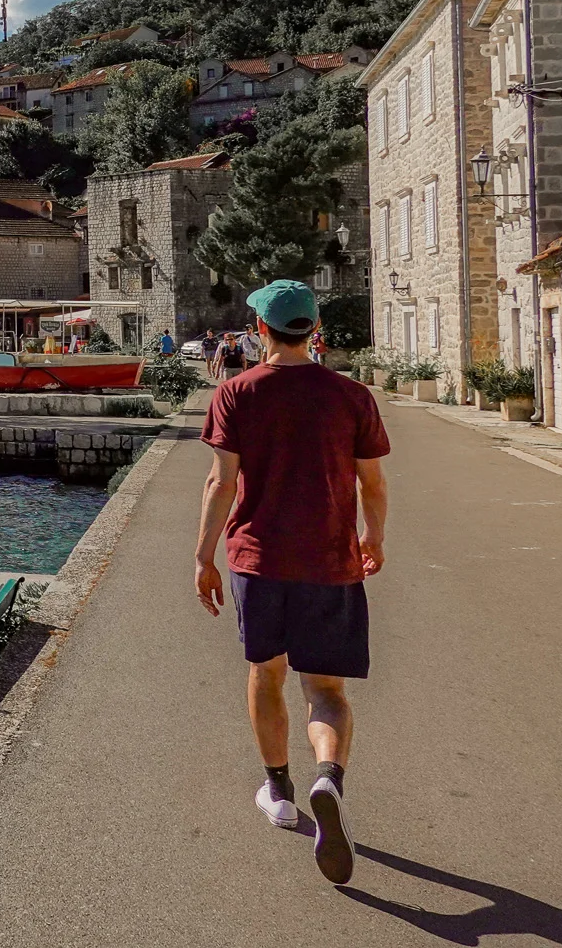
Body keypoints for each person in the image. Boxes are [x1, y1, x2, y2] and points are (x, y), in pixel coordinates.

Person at [194, 280, 389, 886]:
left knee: (266, 673)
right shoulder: (352, 396)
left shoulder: (236, 392)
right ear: (314, 329)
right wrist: (373, 538)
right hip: (330, 561)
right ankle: (327, 776)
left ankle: (278, 790)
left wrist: (203, 557)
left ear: (260, 331)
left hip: (259, 561)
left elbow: (220, 483)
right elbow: (373, 485)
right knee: (325, 690)